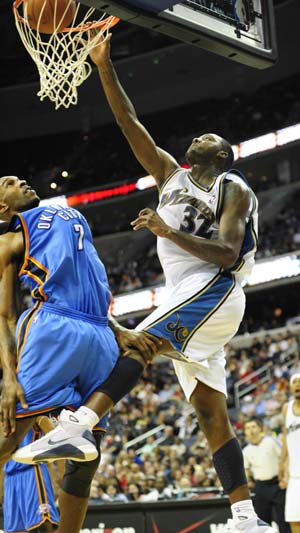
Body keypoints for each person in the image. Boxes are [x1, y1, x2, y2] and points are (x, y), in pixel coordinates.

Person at [15, 33, 277, 533]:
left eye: (215, 139)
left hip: (218, 286)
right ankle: (245, 517)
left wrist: (164, 228)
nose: (204, 136)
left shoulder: (233, 187)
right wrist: (104, 65)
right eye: (200, 136)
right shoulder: (170, 177)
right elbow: (127, 121)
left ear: (225, 156)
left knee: (141, 343)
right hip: (193, 297)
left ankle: (80, 424)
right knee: (209, 411)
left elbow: (226, 252)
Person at [0, 175, 160, 533]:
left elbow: (89, 282)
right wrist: (9, 377)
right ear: (1, 206)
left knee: (86, 455)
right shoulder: (10, 236)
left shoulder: (68, 215)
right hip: (55, 328)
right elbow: (5, 315)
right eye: (9, 182)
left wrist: (117, 330)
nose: (21, 180)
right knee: (10, 435)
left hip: (99, 329)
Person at [3, 416, 59, 533]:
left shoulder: (36, 415)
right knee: (15, 530)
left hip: (32, 471)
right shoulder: (3, 418)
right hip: (9, 477)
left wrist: (59, 476)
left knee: (43, 523)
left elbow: (58, 440)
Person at [243, 417, 290, 533]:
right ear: (245, 432)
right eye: (248, 428)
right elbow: (246, 468)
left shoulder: (271, 441)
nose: (251, 430)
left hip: (277, 484)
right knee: (263, 522)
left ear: (260, 428)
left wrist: (285, 478)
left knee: (284, 521)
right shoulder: (246, 450)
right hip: (260, 487)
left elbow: (284, 458)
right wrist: (248, 480)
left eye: (253, 427)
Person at [279, 374, 300, 533]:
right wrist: (281, 463)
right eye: (294, 382)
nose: (297, 385)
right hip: (294, 476)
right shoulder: (286, 408)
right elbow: (286, 437)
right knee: (294, 520)